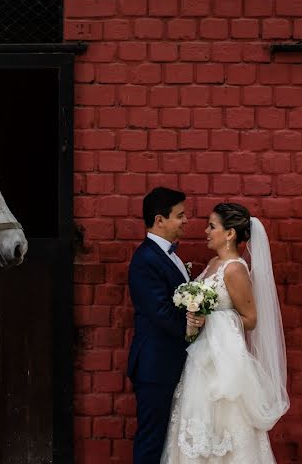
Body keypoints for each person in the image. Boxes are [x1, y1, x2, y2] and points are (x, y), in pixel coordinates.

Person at [162, 203, 289, 463]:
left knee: (225, 430)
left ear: (230, 233)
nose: (206, 231)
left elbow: (251, 319)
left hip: (224, 366)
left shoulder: (234, 269)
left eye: (212, 226)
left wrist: (210, 319)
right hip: (201, 360)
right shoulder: (213, 263)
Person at [128, 187, 196, 464]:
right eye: (180, 215)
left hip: (170, 363)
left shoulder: (170, 255)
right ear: (160, 220)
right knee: (152, 439)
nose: (185, 220)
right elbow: (160, 312)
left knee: (167, 438)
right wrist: (194, 328)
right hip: (155, 366)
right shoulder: (145, 260)